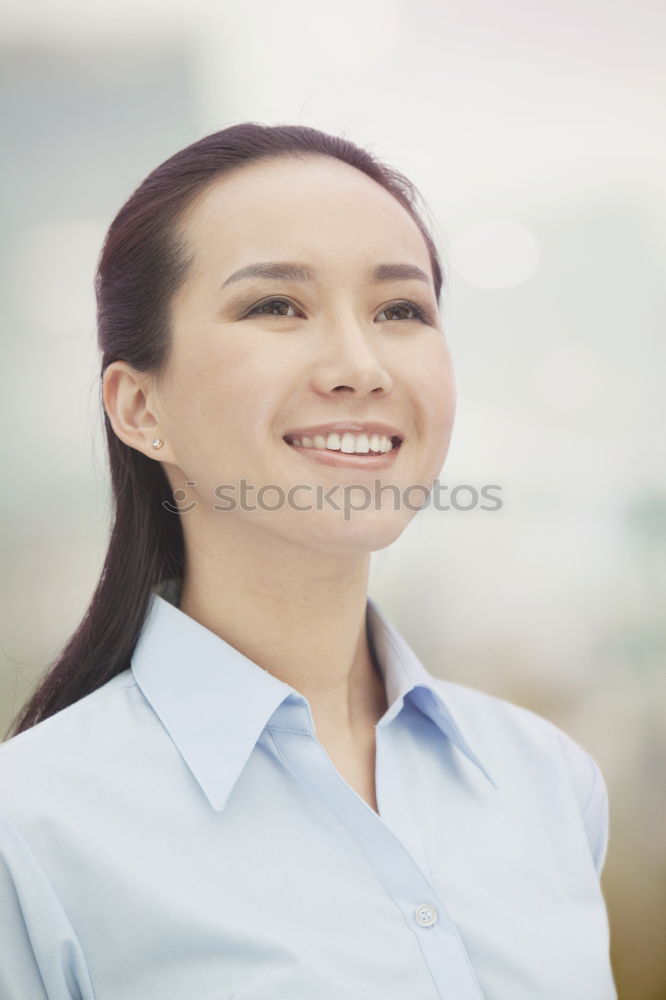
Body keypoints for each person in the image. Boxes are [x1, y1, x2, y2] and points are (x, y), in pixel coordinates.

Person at [0, 124, 617, 999]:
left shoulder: (546, 781)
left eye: (400, 310)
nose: (360, 367)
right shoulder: (31, 833)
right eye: (276, 306)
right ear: (139, 408)